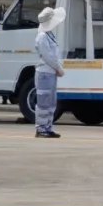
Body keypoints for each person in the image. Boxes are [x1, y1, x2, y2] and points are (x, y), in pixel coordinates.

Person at [34, 7, 66, 139]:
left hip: (50, 72)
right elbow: (47, 55)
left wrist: (57, 68)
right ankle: (41, 128)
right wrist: (59, 68)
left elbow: (53, 55)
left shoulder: (48, 34)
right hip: (45, 73)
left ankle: (48, 127)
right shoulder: (42, 36)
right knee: (44, 101)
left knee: (51, 101)